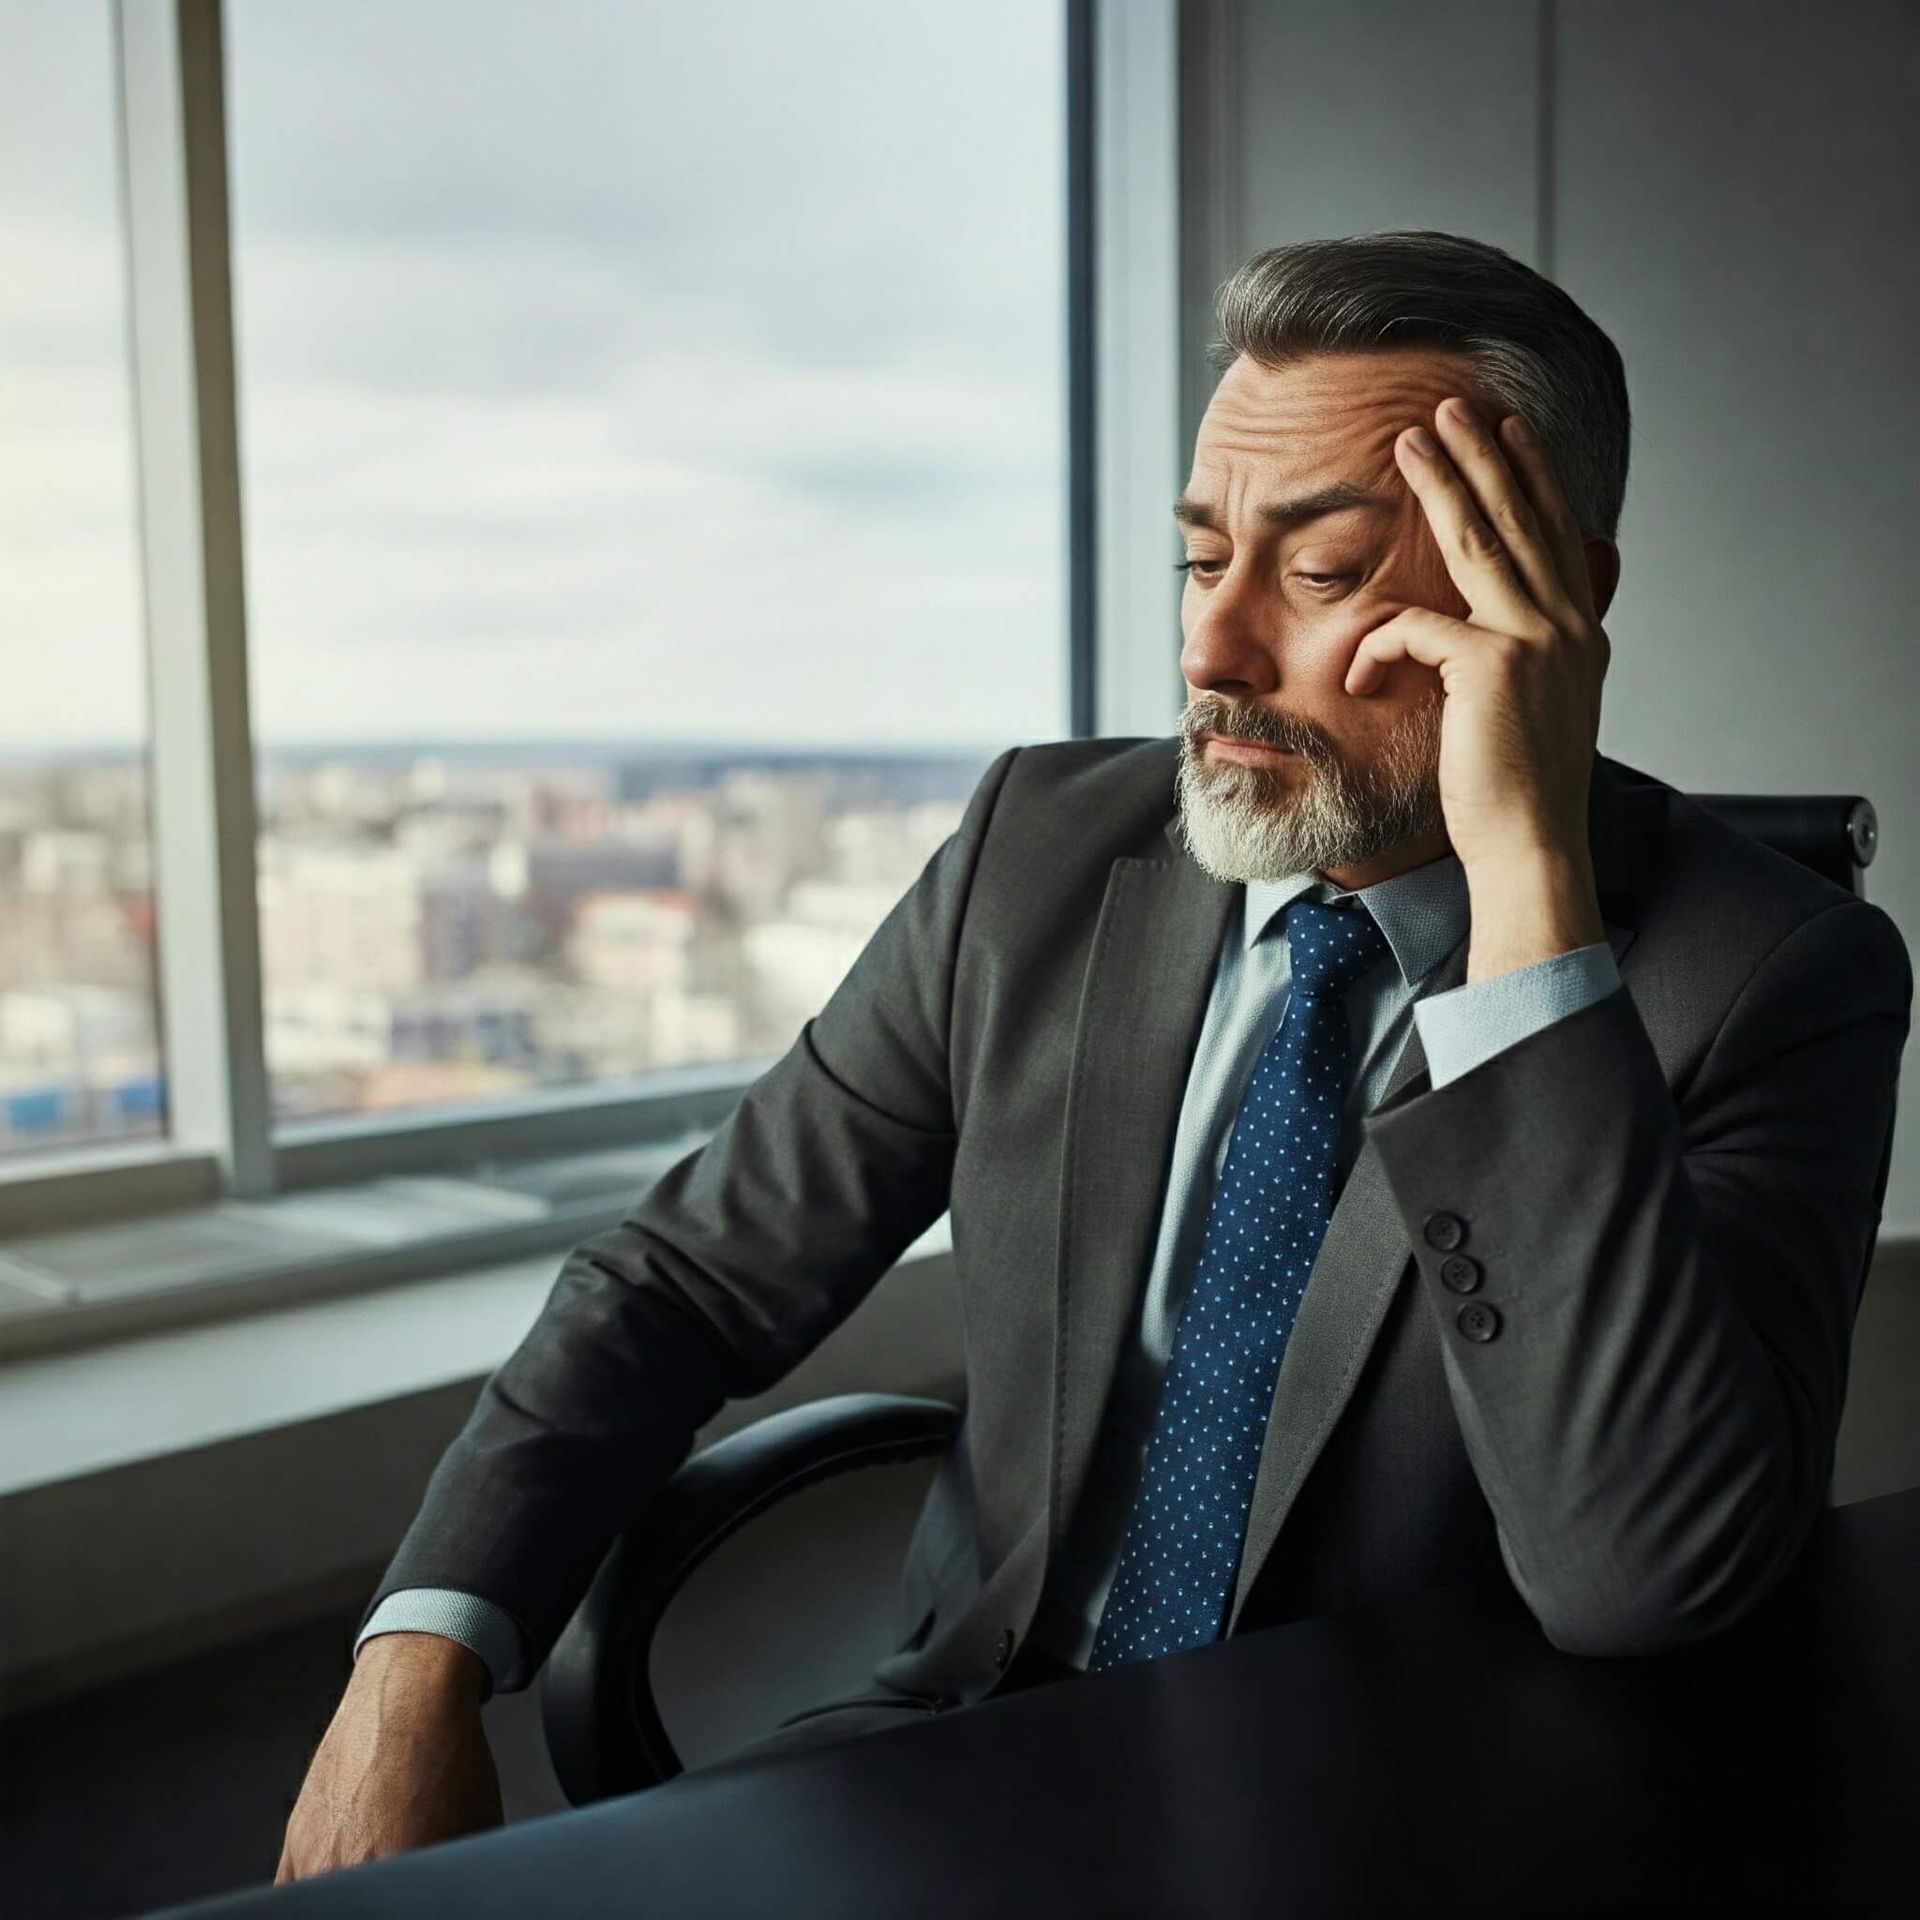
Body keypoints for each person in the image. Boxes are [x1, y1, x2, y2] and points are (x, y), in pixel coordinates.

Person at [277, 229, 1911, 1880]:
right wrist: (414, 1668)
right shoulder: (1038, 851)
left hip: (1404, 1818)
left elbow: (1645, 1579)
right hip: (964, 1749)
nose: (1213, 653)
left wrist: (1528, 902)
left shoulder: (1775, 979)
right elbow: (690, 1277)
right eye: (1205, 561)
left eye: (1324, 574)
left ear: (1552, 597)